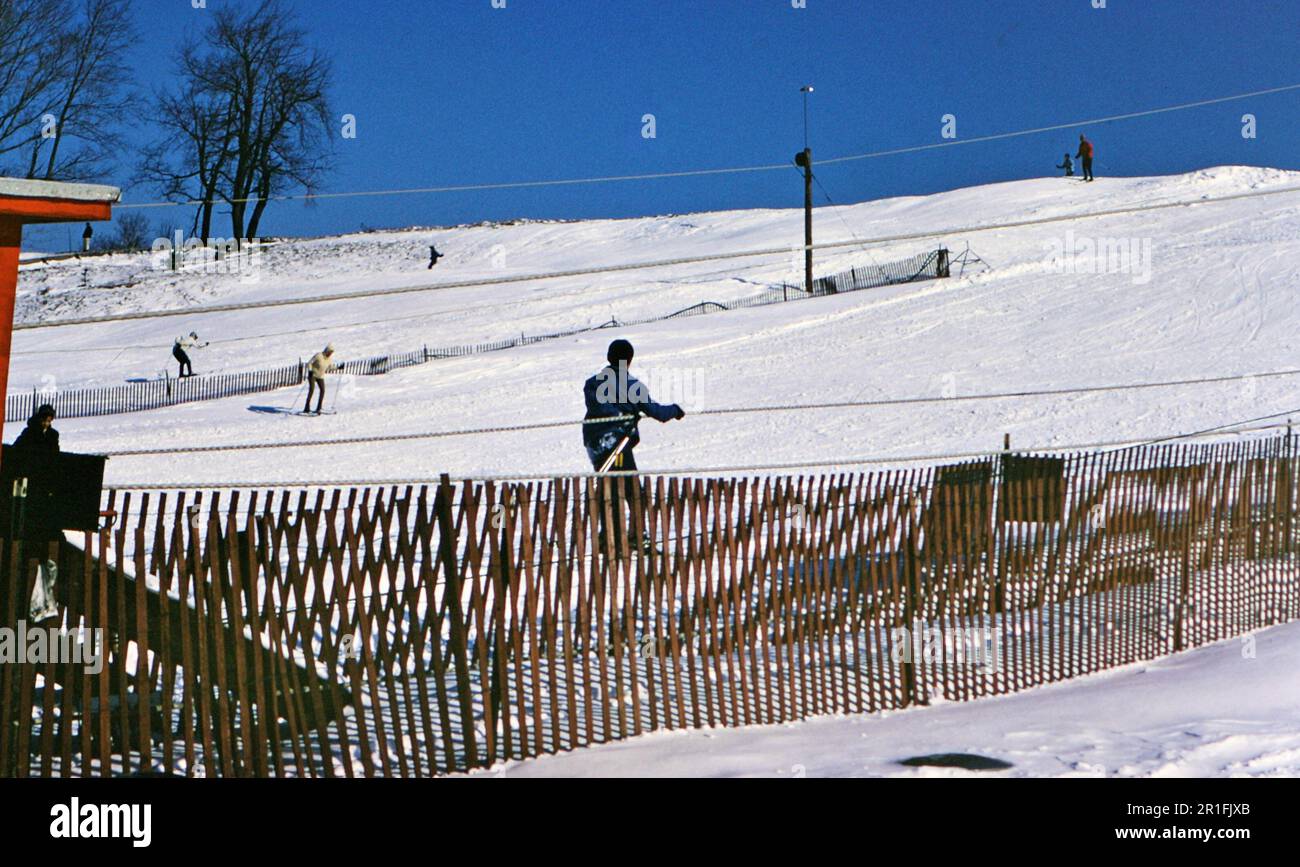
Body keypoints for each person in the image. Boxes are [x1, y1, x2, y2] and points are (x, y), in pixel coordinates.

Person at [583, 339, 685, 555]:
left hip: (595, 445)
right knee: (631, 490)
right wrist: (675, 409)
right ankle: (634, 538)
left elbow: (596, 406)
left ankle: (607, 536)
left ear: (609, 357)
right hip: (617, 445)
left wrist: (616, 413)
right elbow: (657, 412)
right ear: (629, 360)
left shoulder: (592, 383)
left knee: (607, 487)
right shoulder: (633, 387)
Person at [12, 404, 61, 622]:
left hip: (43, 482)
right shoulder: (29, 432)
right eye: (45, 418)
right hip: (31, 481)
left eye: (50, 419)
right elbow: (19, 452)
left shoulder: (52, 435)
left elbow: (54, 455)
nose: (47, 422)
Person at [304, 344, 337, 415]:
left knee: (322, 390)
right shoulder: (319, 355)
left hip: (320, 376)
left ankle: (319, 407)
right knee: (311, 390)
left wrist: (338, 367)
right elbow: (309, 363)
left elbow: (330, 367)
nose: (330, 354)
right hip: (312, 375)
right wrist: (310, 371)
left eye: (331, 353)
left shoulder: (329, 359)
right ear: (326, 350)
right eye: (329, 352)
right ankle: (306, 407)